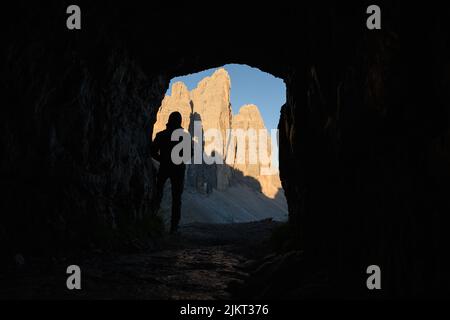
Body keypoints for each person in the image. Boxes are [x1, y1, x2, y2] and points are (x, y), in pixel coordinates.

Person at [151, 111, 186, 234]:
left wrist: (162, 160)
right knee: (177, 198)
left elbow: (152, 151)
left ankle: (151, 219)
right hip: (178, 170)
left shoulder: (161, 135)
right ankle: (174, 228)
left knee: (157, 192)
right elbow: (190, 154)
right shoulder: (184, 137)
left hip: (164, 168)